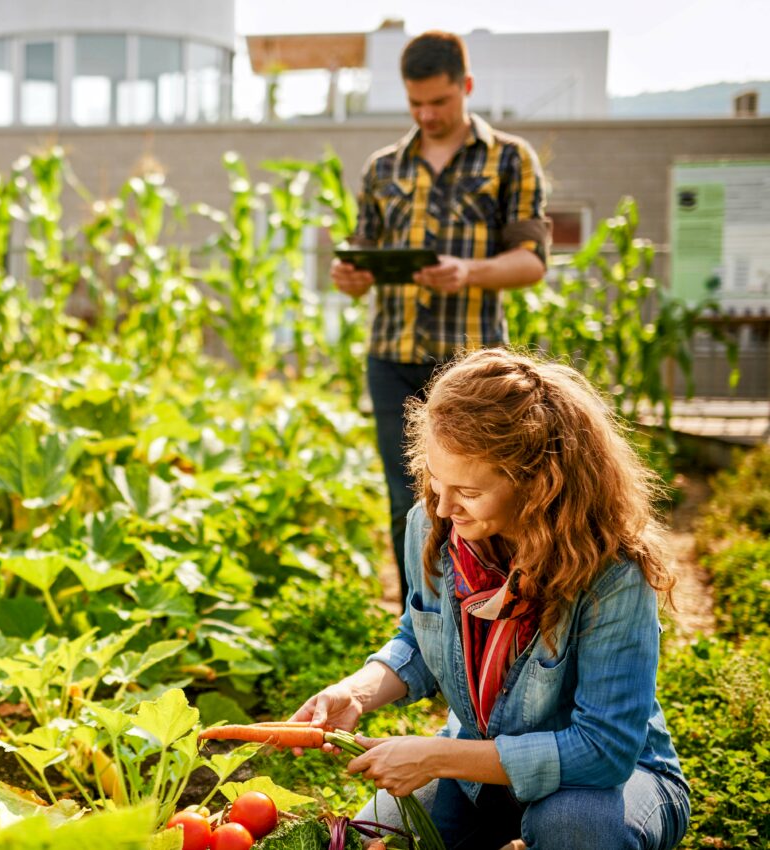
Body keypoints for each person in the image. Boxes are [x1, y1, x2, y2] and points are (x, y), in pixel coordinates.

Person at [289, 348, 690, 849]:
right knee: (374, 836)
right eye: (435, 478)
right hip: (480, 769)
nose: (441, 503)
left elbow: (603, 751)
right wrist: (356, 692)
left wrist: (434, 758)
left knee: (571, 827)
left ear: (539, 485)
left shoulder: (611, 572)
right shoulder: (434, 527)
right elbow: (418, 638)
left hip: (613, 782)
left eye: (468, 491)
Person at [331, 31, 551, 602]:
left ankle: (488, 610)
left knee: (482, 496)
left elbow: (531, 263)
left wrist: (468, 271)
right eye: (416, 104)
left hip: (473, 366)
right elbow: (363, 255)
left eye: (440, 102)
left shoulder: (509, 158)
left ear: (466, 87)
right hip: (392, 357)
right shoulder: (382, 169)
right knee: (404, 497)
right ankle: (420, 625)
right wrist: (351, 277)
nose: (427, 114)